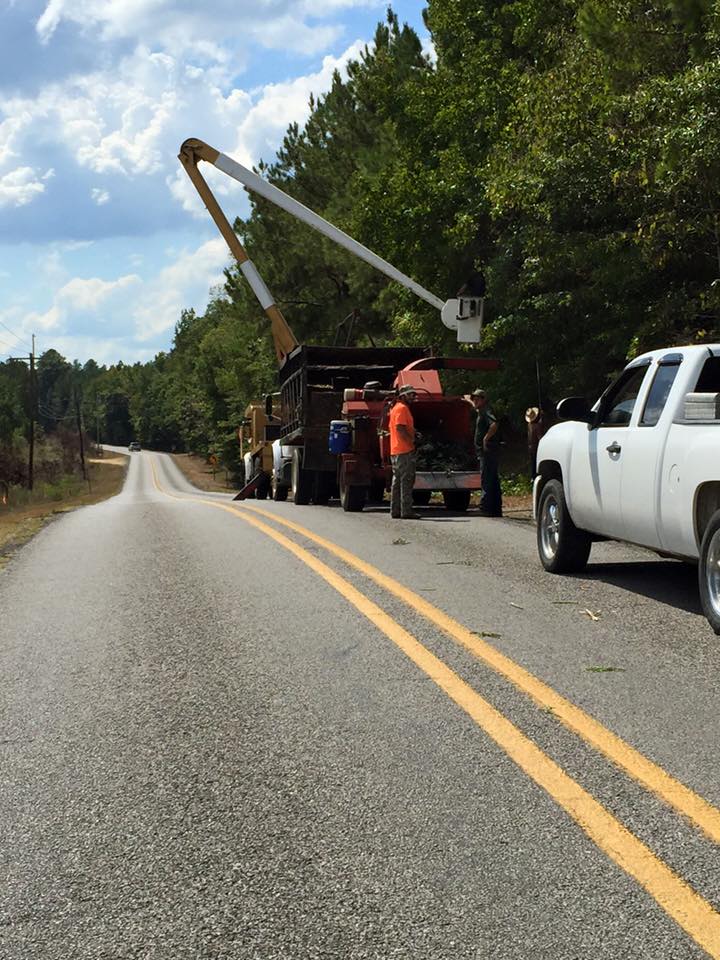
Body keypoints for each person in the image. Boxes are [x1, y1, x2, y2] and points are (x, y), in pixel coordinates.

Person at [389, 385, 421, 519]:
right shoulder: (402, 408)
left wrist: (414, 433)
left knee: (397, 481)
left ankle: (395, 510)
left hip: (395, 450)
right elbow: (400, 428)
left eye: (414, 394)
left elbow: (403, 427)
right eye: (410, 395)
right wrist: (411, 441)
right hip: (404, 450)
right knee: (406, 481)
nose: (413, 397)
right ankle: (406, 511)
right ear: (403, 396)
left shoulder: (396, 408)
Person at [471, 388, 502, 517]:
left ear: (483, 400)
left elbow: (494, 424)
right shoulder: (481, 411)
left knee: (487, 478)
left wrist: (485, 438)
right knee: (493, 478)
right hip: (488, 451)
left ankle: (486, 507)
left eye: (477, 399)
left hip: (487, 450)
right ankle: (495, 508)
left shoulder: (485, 411)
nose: (474, 401)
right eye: (473, 399)